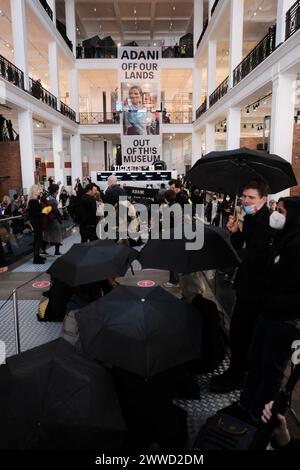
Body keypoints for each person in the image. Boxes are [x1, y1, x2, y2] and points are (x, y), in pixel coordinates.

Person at [238, 197, 300, 419]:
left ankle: (259, 415)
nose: (276, 214)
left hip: (284, 321)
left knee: (271, 371)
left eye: (281, 211)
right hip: (267, 315)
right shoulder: (282, 240)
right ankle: (247, 404)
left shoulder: (296, 246)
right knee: (256, 362)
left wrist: (274, 300)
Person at [210, 177, 272, 393]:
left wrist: (242, 251)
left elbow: (255, 256)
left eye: (251, 197)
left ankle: (237, 376)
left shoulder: (267, 222)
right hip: (246, 285)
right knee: (238, 333)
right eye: (244, 196)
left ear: (264, 199)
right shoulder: (252, 217)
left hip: (257, 290)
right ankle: (235, 372)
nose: (246, 200)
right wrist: (235, 233)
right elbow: (240, 248)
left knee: (243, 334)